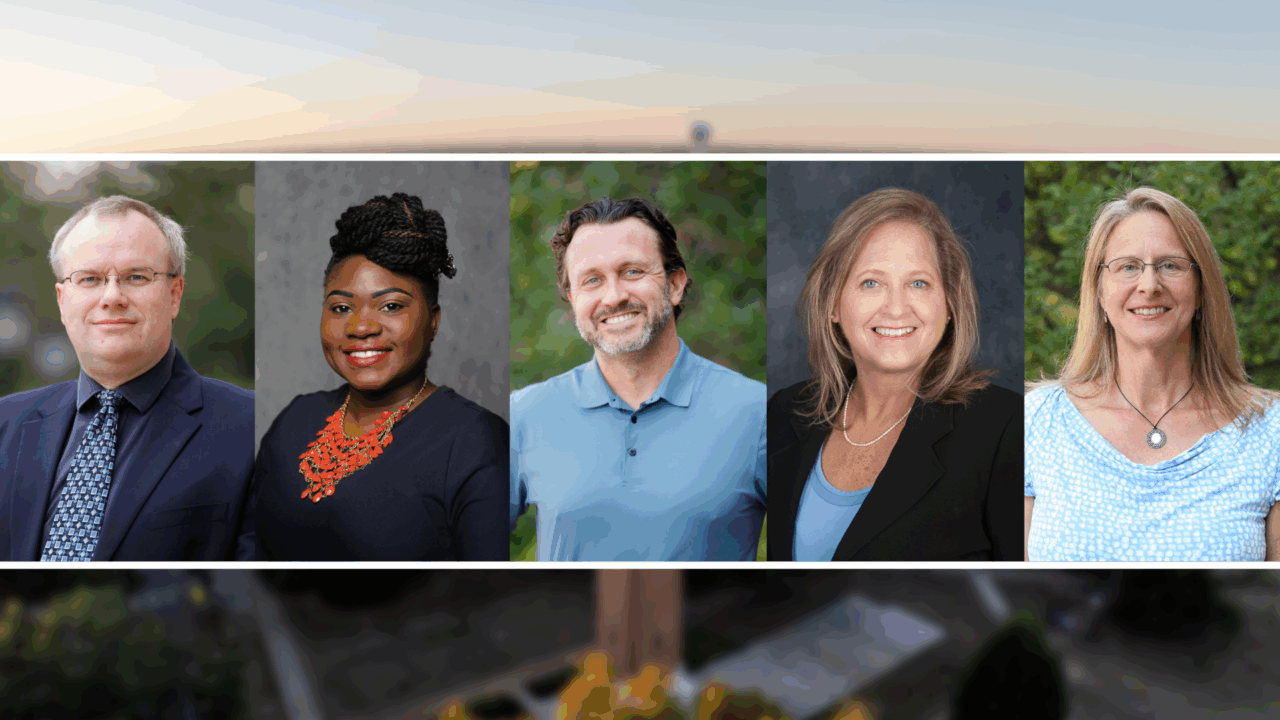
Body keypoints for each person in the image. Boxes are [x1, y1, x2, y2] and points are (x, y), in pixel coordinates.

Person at [1025, 187, 1280, 561]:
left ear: (1201, 288)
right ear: (1099, 291)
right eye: (1128, 266)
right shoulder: (1037, 422)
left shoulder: (1269, 431)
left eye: (1170, 266)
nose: (1148, 285)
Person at [768, 188, 1021, 561]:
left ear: (949, 305)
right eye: (871, 283)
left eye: (919, 283)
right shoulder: (786, 412)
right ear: (834, 304)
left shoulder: (1008, 429)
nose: (896, 308)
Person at [253, 192, 508, 560]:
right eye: (341, 307)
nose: (360, 327)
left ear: (433, 320)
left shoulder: (474, 441)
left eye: (390, 306)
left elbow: (488, 597)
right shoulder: (295, 420)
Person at [510, 196, 766, 561]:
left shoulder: (757, 414)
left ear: (675, 285)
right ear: (572, 298)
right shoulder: (525, 415)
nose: (614, 296)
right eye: (592, 280)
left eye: (632, 272)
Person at [0, 196, 254, 561]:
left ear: (175, 293)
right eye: (89, 279)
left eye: (136, 277)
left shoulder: (257, 432)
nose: (112, 296)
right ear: (61, 299)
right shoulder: (5, 426)